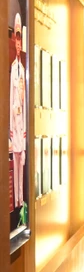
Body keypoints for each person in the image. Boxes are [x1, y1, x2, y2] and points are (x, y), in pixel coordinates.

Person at [9, 12, 25, 210]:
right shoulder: (13, 68)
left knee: (22, 164)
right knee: (15, 162)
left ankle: (22, 199)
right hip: (15, 122)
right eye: (17, 39)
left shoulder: (23, 68)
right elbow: (12, 100)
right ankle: (17, 202)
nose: (19, 45)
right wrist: (12, 131)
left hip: (22, 126)